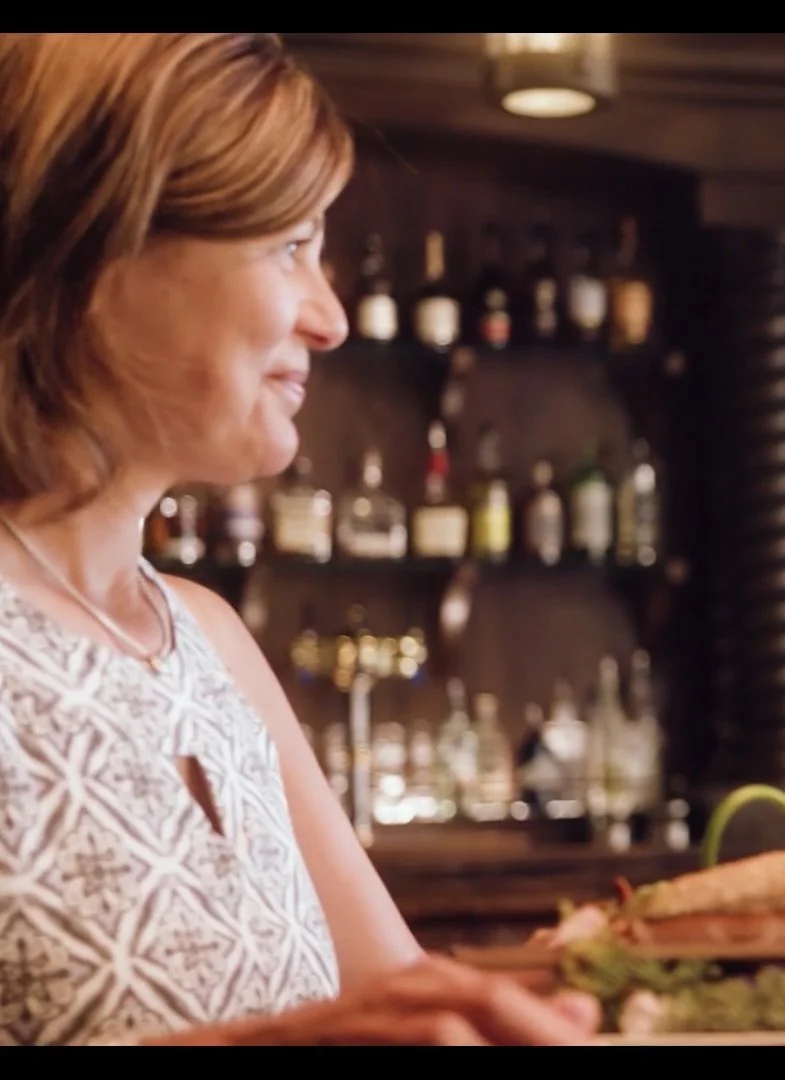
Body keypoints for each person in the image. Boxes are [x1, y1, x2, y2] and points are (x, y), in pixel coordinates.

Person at [0, 33, 599, 1045]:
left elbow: (400, 1007)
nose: (331, 318)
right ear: (99, 253)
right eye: (289, 248)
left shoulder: (207, 637)